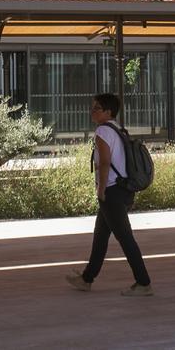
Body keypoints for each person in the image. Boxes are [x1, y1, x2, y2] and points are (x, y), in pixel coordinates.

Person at [66, 93, 153, 296]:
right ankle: (87, 279)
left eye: (97, 108)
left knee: (125, 238)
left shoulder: (103, 131)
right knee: (100, 237)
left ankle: (144, 283)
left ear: (108, 112)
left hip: (112, 192)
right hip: (122, 190)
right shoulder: (118, 129)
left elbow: (104, 163)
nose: (92, 111)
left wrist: (101, 190)